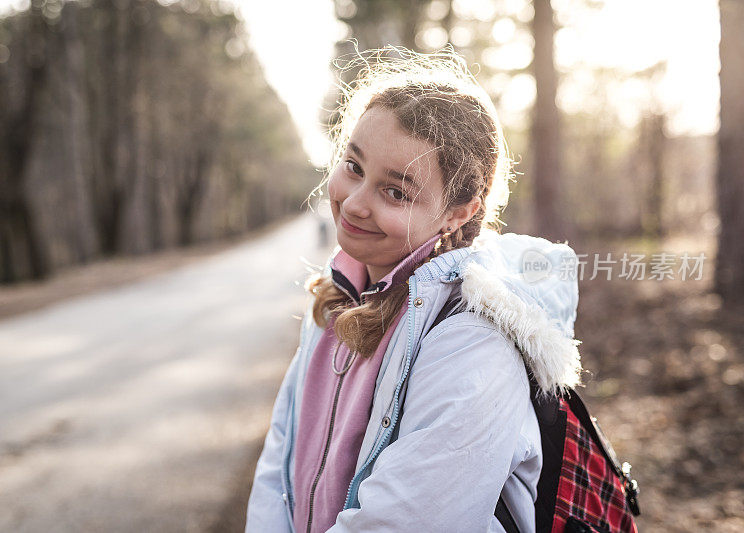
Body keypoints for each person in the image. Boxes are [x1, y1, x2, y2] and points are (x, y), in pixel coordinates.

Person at [245, 46, 582, 533]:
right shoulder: (344, 290)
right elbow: (281, 453)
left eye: (395, 192)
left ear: (458, 211)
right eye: (355, 167)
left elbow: (407, 521)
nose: (355, 204)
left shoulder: (474, 340)